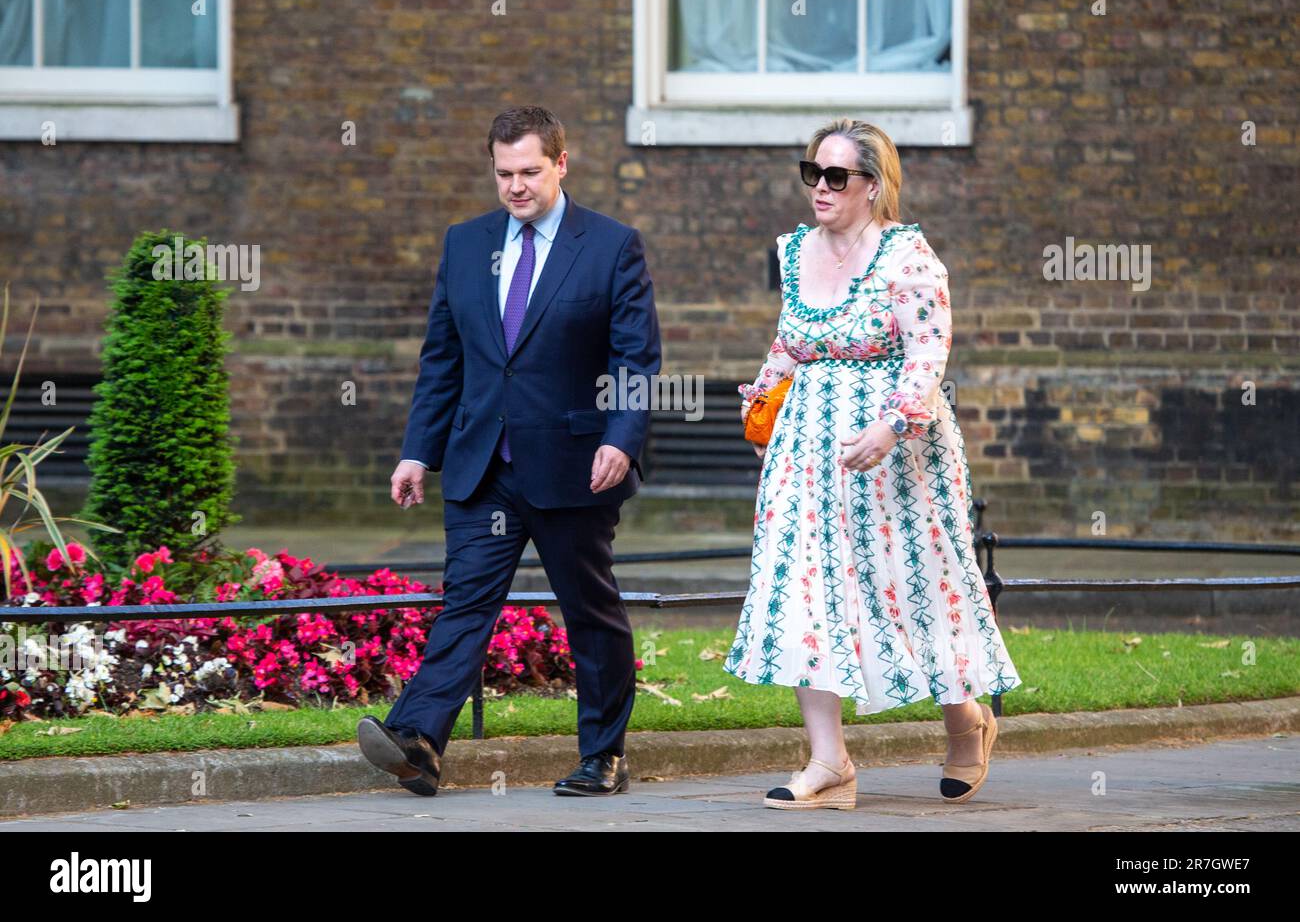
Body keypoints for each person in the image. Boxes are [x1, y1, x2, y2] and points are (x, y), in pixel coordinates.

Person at [357, 105, 662, 797]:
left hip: (574, 465)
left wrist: (621, 438)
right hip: (480, 462)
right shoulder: (465, 244)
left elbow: (636, 358)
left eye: (529, 171)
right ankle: (419, 741)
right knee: (467, 601)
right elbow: (444, 359)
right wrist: (417, 452)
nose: (516, 186)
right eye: (503, 174)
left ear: (561, 163)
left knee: (589, 609)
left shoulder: (612, 246)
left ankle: (604, 754)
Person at [727, 118, 1022, 810]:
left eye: (837, 177)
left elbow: (927, 353)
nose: (820, 188)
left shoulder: (907, 257)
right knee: (805, 587)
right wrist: (764, 396)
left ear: (874, 185)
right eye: (812, 174)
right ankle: (829, 763)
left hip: (895, 450)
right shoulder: (795, 251)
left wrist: (892, 425)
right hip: (806, 448)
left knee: (916, 586)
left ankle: (965, 723)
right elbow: (791, 343)